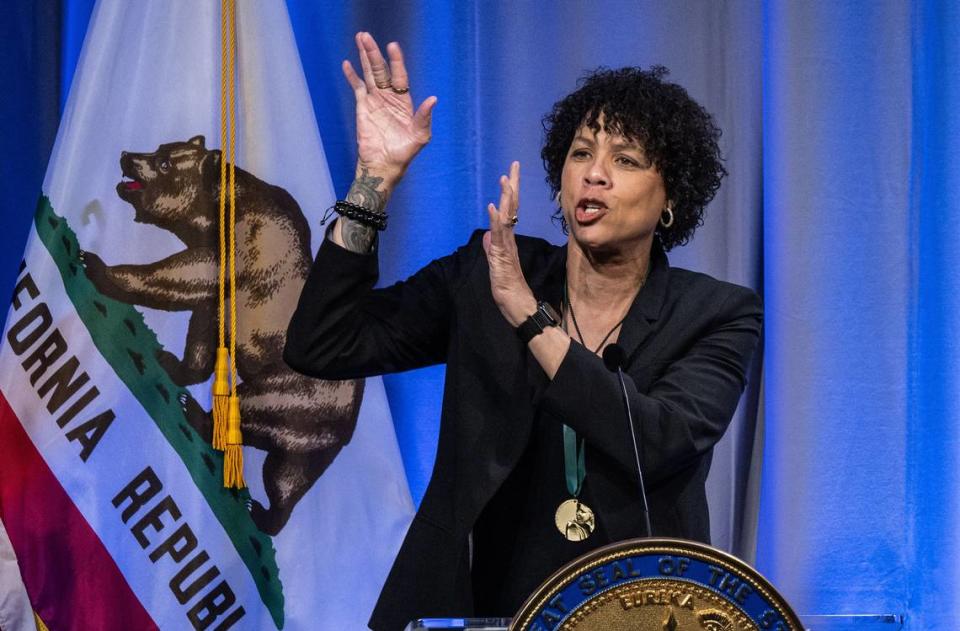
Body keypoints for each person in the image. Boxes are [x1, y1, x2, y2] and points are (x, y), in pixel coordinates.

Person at [284, 32, 762, 630]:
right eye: (581, 153)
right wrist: (371, 185)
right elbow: (322, 344)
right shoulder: (486, 271)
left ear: (670, 200)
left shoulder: (714, 312)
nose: (596, 175)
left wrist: (530, 318)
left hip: (638, 610)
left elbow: (661, 442)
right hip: (470, 605)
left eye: (627, 160)